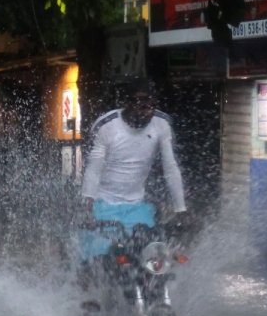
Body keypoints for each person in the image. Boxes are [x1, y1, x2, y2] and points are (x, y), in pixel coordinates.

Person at [76, 78, 190, 265]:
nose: (146, 109)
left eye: (151, 103)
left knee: (151, 256)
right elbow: (93, 170)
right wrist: (87, 207)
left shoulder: (161, 125)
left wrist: (181, 209)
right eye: (139, 101)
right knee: (99, 258)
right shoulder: (107, 126)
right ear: (126, 102)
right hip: (104, 205)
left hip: (138, 208)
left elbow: (170, 169)